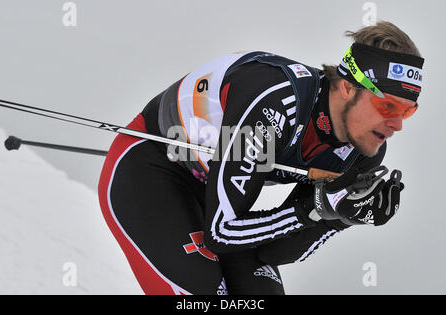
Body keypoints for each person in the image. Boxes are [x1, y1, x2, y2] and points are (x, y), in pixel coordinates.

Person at [98, 21, 424, 295]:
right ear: (349, 88)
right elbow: (222, 232)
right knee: (205, 292)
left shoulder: (362, 150)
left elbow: (272, 251)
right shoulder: (276, 102)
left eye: (407, 111)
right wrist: (316, 208)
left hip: (211, 191)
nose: (396, 125)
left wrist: (339, 216)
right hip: (152, 167)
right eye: (387, 107)